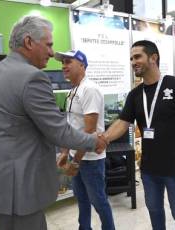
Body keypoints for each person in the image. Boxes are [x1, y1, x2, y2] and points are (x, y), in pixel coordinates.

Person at [0, 15, 107, 230]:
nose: (52, 53)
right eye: (49, 45)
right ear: (28, 42)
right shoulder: (32, 77)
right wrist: (94, 141)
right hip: (19, 190)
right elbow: (58, 132)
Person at [103, 40, 175, 230]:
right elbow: (123, 123)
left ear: (153, 58)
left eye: (137, 56)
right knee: (154, 211)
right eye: (131, 58)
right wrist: (103, 138)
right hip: (149, 170)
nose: (133, 62)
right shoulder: (135, 95)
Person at [54, 50, 115, 230]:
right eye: (63, 62)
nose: (64, 66)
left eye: (68, 62)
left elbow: (88, 132)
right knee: (81, 199)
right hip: (77, 157)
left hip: (90, 160)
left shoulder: (90, 89)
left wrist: (76, 161)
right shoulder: (73, 91)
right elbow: (70, 127)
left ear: (82, 65)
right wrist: (65, 152)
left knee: (99, 202)